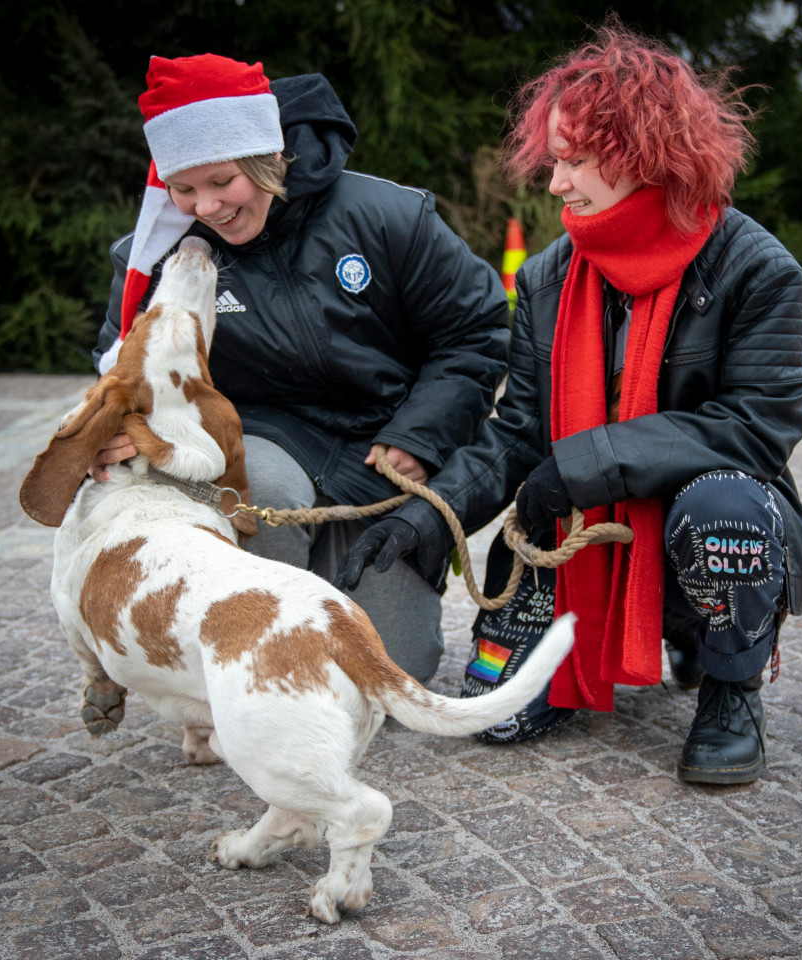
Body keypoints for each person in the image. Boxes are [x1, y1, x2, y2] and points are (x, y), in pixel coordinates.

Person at [337, 22, 802, 784]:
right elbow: (520, 429)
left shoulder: (756, 269)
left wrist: (588, 461)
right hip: (588, 536)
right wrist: (433, 511)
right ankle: (619, 641)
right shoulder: (550, 274)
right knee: (498, 713)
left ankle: (729, 681)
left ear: (643, 154)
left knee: (721, 511)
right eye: (555, 162)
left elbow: (755, 429)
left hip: (712, 515)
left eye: (576, 162)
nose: (556, 184)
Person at [91, 54, 510, 684]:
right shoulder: (159, 256)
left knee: (394, 671)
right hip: (261, 440)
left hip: (378, 451)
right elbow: (126, 366)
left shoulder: (387, 215)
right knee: (267, 495)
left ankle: (321, 592)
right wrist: (118, 430)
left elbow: (475, 332)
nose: (205, 206)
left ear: (267, 157)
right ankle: (245, 665)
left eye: (222, 181)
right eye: (184, 188)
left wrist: (420, 435)